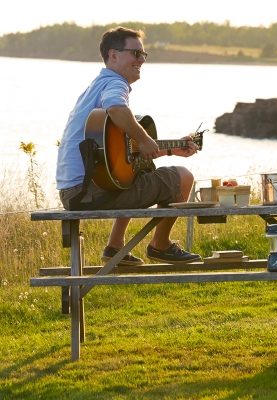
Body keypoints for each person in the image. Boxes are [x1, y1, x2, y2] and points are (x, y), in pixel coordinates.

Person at [56, 26, 201, 265]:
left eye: (144, 55)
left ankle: (115, 247)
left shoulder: (96, 86)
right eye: (136, 53)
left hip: (76, 193)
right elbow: (116, 108)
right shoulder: (116, 84)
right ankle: (160, 245)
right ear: (113, 55)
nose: (142, 59)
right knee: (183, 177)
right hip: (90, 193)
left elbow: (113, 153)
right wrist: (144, 139)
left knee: (137, 170)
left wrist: (168, 149)